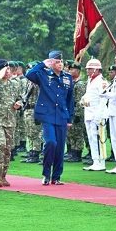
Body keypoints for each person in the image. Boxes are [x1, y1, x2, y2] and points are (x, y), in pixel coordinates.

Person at [25, 50, 74, 185]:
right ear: (51, 63)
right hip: (47, 115)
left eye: (61, 61)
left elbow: (70, 99)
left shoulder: (67, 77)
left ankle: (56, 177)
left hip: (62, 115)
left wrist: (69, 119)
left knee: (60, 148)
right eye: (57, 62)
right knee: (51, 143)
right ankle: (46, 174)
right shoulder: (43, 74)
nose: (60, 64)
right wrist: (42, 64)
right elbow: (29, 74)